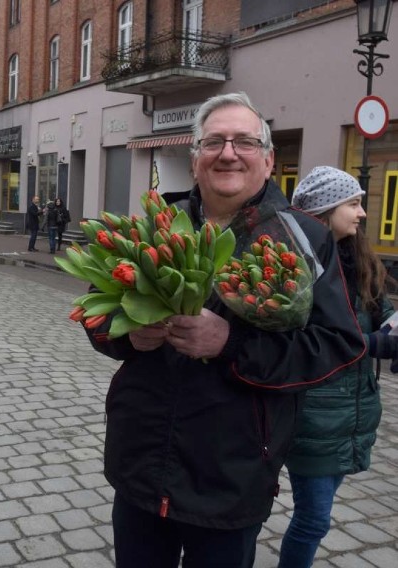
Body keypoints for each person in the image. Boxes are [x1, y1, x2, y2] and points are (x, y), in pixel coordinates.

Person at [83, 92, 365, 568]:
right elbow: (97, 315)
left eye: (244, 142)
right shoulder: (156, 225)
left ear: (269, 158)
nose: (228, 152)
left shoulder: (304, 237)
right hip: (141, 461)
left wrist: (231, 344)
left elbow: (338, 344)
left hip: (231, 476)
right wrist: (125, 335)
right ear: (195, 159)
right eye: (213, 142)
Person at [278, 166, 398, 567]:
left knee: (316, 517)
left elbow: (381, 312)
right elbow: (300, 342)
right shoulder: (298, 266)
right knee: (314, 519)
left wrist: (390, 325)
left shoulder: (360, 259)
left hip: (353, 410)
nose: (362, 213)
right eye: (353, 203)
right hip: (315, 413)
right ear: (326, 210)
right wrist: (373, 344)